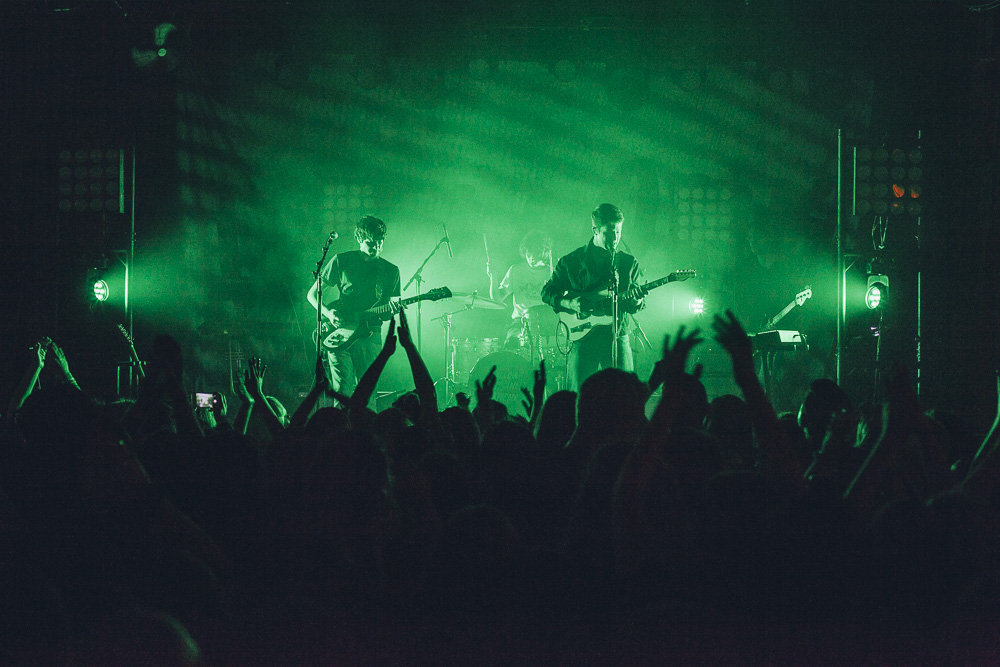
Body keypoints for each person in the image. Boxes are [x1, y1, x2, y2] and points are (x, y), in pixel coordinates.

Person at [541, 203, 645, 391]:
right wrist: (570, 303)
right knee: (578, 396)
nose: (615, 238)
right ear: (595, 230)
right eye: (610, 232)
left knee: (625, 396)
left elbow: (633, 304)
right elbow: (547, 292)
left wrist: (637, 299)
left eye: (619, 232)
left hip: (617, 335)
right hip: (583, 337)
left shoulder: (628, 263)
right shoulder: (571, 261)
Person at [307, 216, 401, 398]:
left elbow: (386, 312)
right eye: (370, 242)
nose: (375, 247)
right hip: (340, 332)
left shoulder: (390, 270)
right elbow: (312, 295)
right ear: (359, 239)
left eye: (379, 242)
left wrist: (392, 312)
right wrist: (328, 313)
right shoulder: (342, 260)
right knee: (342, 392)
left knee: (368, 394)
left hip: (370, 334)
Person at [488, 230, 557, 357]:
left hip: (547, 323)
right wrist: (493, 277)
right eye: (528, 254)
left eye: (535, 253)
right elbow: (497, 299)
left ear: (545, 252)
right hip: (520, 322)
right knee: (511, 347)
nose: (531, 257)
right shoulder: (516, 270)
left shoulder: (553, 272)